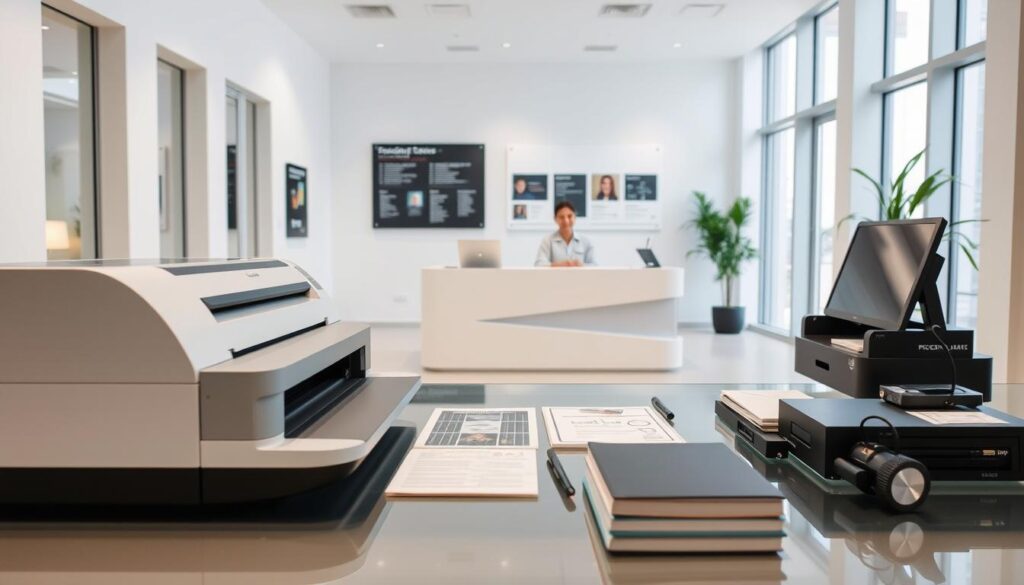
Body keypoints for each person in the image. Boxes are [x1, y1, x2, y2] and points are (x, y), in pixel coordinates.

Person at [535, 201, 596, 267]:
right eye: (561, 217)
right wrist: (560, 265)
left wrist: (581, 265)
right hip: (556, 274)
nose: (566, 221)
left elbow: (595, 266)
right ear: (555, 219)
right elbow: (539, 264)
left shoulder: (586, 241)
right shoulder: (548, 241)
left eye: (569, 216)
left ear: (575, 217)